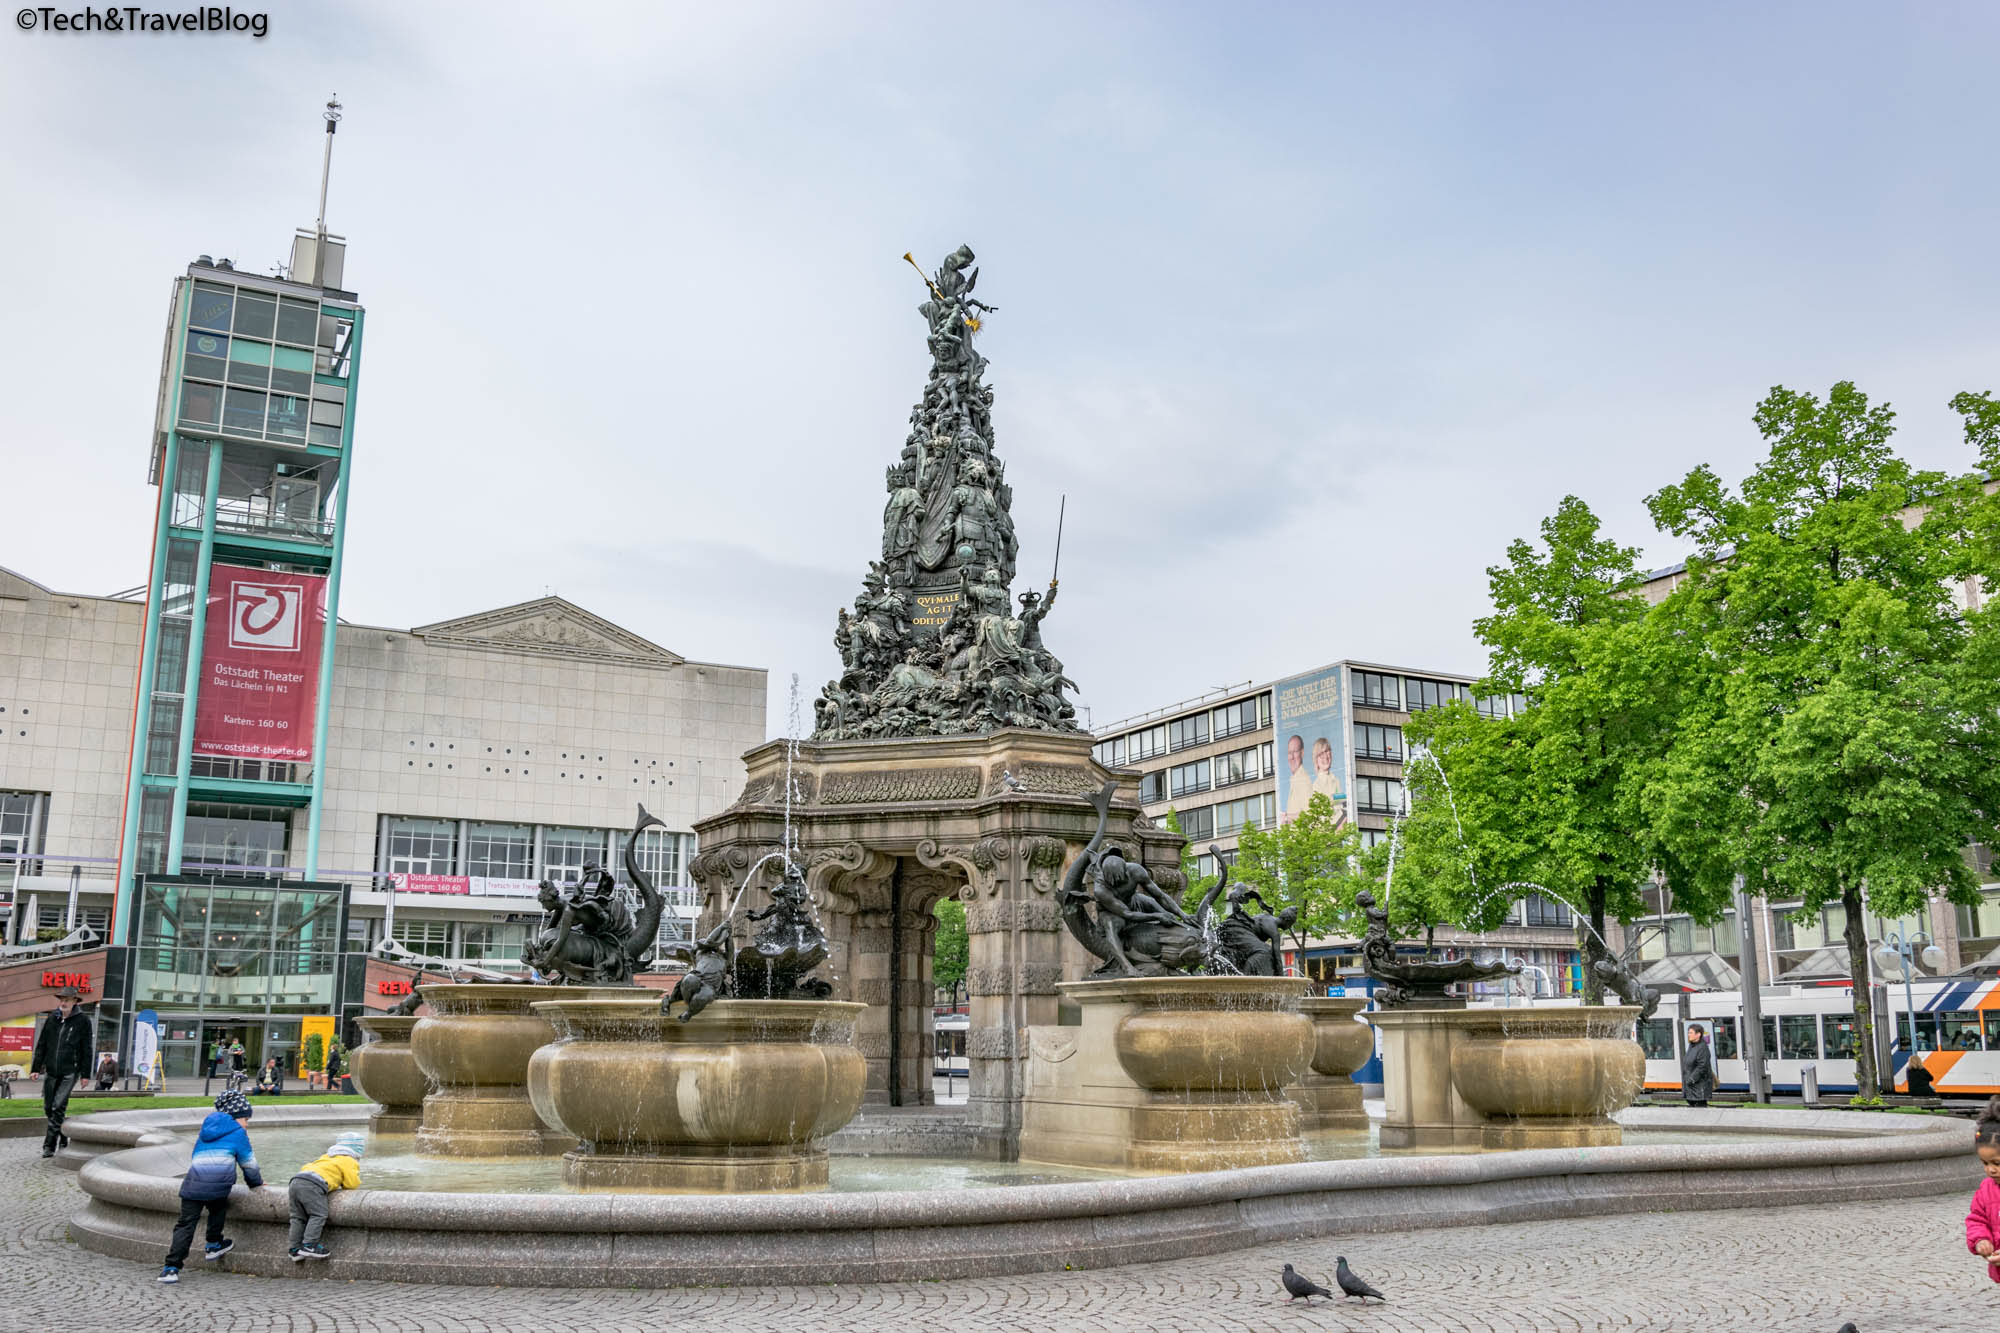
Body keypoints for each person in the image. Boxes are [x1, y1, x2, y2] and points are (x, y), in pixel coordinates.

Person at [159, 1091, 265, 1284]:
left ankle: (171, 1268)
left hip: (193, 1183)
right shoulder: (238, 1134)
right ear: (236, 1117)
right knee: (218, 1208)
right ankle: (213, 1244)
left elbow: (195, 1156)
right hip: (218, 1185)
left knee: (185, 1225)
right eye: (246, 1119)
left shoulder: (206, 1130)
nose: (247, 1124)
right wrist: (256, 1183)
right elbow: (248, 1164)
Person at [30, 985, 93, 1159]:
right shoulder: (52, 1019)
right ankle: (64, 1135)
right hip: (51, 1071)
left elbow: (87, 1049)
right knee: (48, 1108)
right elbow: (42, 1045)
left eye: (67, 1000)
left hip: (70, 1071)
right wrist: (36, 1068)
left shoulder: (83, 1021)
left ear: (74, 1002)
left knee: (58, 1106)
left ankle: (49, 1146)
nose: (63, 1003)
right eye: (62, 1000)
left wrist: (85, 1074)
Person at [287, 1135, 363, 1261]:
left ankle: (294, 1249)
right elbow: (351, 1184)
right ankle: (310, 1245)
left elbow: (309, 1166)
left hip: (296, 1180)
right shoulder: (349, 1160)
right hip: (313, 1185)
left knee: (297, 1217)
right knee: (318, 1214)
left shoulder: (327, 1156)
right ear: (356, 1150)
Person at [1968, 1096, 2000, 1285]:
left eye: (1997, 1163)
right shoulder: (1986, 1189)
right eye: (1985, 1163)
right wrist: (1981, 1239)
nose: (1991, 1170)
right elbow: (1977, 1219)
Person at [1681, 1025, 1716, 1107]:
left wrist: (1691, 1079)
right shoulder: (1692, 1046)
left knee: (1700, 1109)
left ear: (1698, 1034)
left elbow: (1702, 1066)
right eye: (1688, 1033)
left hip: (1699, 1087)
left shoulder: (1702, 1048)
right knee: (1693, 1108)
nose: (1688, 1035)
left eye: (1691, 1033)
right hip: (1691, 1087)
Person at [1281, 734, 1312, 822]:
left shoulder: (1303, 780)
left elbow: (1308, 814)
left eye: (1295, 752)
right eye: (1289, 753)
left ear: (1302, 753)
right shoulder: (1295, 778)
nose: (1291, 757)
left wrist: (1286, 817)